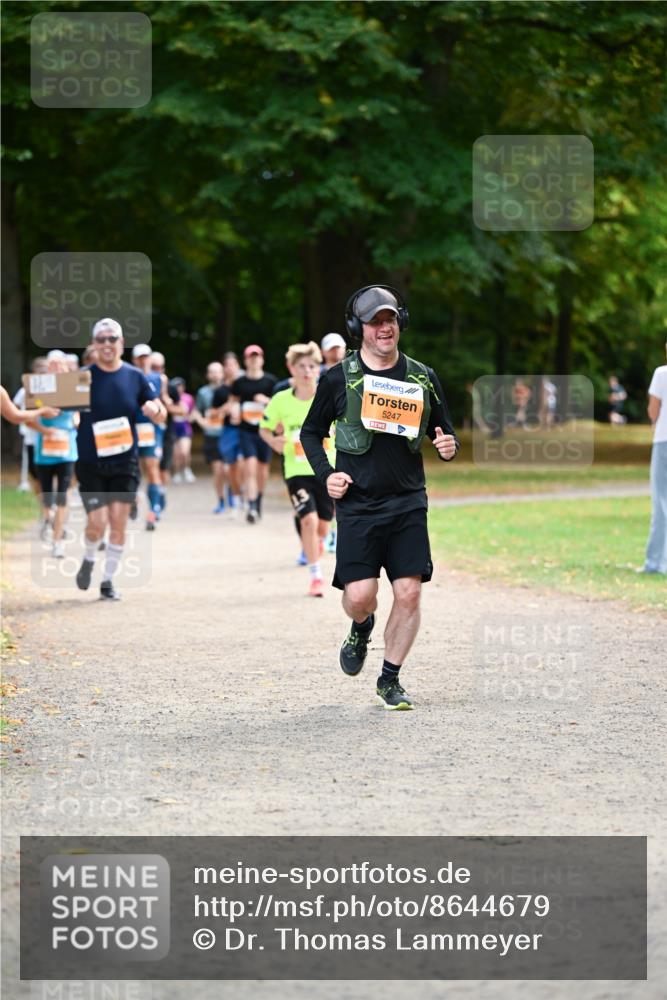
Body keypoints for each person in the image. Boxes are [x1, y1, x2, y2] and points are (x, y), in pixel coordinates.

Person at [301, 285, 459, 710]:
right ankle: (361, 626)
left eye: (389, 319)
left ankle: (390, 679)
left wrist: (449, 445)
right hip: (358, 505)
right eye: (374, 321)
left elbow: (443, 428)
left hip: (408, 500)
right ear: (358, 329)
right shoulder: (339, 378)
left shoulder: (421, 375)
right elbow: (311, 434)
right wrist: (327, 474)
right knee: (359, 596)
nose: (384, 328)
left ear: (399, 322)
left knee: (409, 591)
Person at [74, 318, 162, 600]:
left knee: (118, 522)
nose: (107, 344)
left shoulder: (135, 376)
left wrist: (154, 408)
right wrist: (63, 414)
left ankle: (108, 581)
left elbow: (158, 409)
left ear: (122, 343)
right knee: (97, 523)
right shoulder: (82, 377)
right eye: (101, 339)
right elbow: (60, 408)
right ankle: (89, 557)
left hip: (125, 461)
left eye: (112, 339)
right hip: (90, 460)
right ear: (94, 345)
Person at [260, 342, 334, 597]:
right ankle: (316, 576)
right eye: (301, 366)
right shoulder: (280, 400)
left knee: (323, 526)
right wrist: (273, 441)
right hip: (296, 471)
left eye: (312, 366)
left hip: (327, 471)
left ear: (318, 369)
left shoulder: (328, 395)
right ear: (291, 368)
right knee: (308, 520)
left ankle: (318, 542)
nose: (306, 371)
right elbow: (264, 428)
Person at [29, 353, 79, 558]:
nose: (57, 368)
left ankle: (57, 542)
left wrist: (76, 420)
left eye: (61, 365)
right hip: (45, 452)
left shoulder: (74, 388)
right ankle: (47, 518)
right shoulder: (39, 389)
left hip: (67, 451)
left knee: (62, 497)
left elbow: (79, 413)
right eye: (53, 365)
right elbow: (27, 418)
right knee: (47, 497)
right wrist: (44, 429)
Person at [231, 345, 277, 523]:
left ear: (262, 359)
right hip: (246, 431)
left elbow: (279, 405)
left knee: (262, 470)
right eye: (251, 357)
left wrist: (265, 400)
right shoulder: (239, 382)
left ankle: (258, 500)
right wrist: (235, 410)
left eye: (257, 356)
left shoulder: (270, 382)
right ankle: (251, 505)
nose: (254, 360)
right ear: (246, 360)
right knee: (249, 466)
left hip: (265, 431)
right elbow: (233, 402)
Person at [131, 344, 167, 529]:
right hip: (129, 429)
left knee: (152, 468)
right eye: (140, 357)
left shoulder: (157, 378)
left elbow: (163, 402)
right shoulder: (127, 376)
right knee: (132, 470)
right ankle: (133, 500)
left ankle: (154, 510)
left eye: (146, 356)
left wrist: (160, 411)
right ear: (134, 359)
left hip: (150, 429)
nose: (143, 360)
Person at [641, 342, 667, 574]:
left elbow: (653, 410)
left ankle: (655, 563)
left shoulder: (662, 373)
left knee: (661, 502)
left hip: (664, 441)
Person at [211, 352, 244, 516]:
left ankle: (240, 495)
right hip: (228, 431)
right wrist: (227, 408)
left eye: (233, 364)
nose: (230, 368)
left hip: (245, 431)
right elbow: (214, 414)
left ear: (238, 366)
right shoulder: (220, 391)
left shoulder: (246, 384)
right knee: (229, 467)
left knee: (243, 464)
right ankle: (234, 497)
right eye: (227, 365)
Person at [192, 361, 226, 513]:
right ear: (207, 375)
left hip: (227, 434)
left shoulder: (229, 390)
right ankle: (221, 500)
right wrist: (202, 422)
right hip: (211, 435)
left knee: (229, 469)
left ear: (222, 373)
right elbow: (195, 412)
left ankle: (233, 494)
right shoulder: (202, 392)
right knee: (218, 470)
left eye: (217, 371)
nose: (214, 374)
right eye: (211, 372)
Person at [170, 378, 196, 483]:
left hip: (185, 428)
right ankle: (177, 473)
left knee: (184, 452)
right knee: (176, 454)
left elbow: (194, 410)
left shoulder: (188, 398)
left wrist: (191, 417)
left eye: (180, 386)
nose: (178, 388)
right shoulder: (170, 398)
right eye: (176, 386)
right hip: (173, 428)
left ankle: (186, 469)